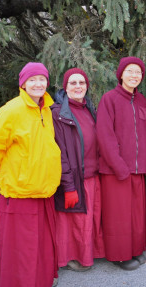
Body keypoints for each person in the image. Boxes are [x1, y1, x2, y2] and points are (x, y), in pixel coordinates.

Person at [0, 62, 62, 286]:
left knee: (41, 248)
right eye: (32, 79)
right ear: (23, 83)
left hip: (44, 192)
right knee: (20, 252)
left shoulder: (46, 108)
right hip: (19, 195)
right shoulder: (11, 110)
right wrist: (8, 179)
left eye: (42, 79)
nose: (38, 83)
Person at [97, 57, 146, 271]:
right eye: (130, 71)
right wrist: (119, 167)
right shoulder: (109, 99)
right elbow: (105, 136)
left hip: (137, 170)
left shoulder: (141, 101)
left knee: (136, 215)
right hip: (116, 170)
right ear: (121, 74)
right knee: (118, 216)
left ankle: (135, 249)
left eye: (138, 72)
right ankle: (119, 256)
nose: (134, 75)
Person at [51, 68, 105, 272]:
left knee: (89, 219)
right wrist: (68, 184)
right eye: (73, 83)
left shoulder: (88, 108)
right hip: (74, 177)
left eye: (81, 83)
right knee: (74, 222)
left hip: (92, 175)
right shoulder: (58, 113)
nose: (78, 86)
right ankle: (73, 258)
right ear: (65, 87)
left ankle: (89, 253)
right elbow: (61, 153)